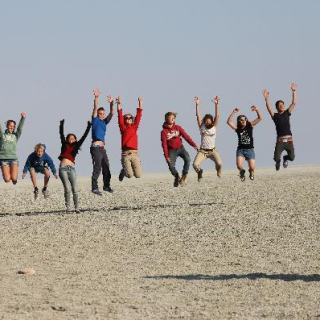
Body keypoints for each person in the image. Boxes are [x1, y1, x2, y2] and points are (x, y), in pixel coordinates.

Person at [58, 119, 91, 213]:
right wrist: (61, 125)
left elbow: (84, 137)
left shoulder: (76, 146)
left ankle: (77, 207)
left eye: (73, 138)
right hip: (63, 168)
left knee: (74, 188)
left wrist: (89, 126)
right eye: (70, 138)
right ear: (67, 139)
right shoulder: (64, 145)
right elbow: (61, 135)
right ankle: (68, 207)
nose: (71, 139)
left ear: (75, 140)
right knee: (67, 188)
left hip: (72, 168)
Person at [262, 83, 297, 171]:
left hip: (289, 140)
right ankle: (278, 162)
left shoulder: (287, 113)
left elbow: (294, 103)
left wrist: (294, 91)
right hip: (280, 141)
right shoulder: (275, 116)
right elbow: (269, 109)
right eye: (279, 105)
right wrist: (266, 99)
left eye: (282, 105)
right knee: (276, 157)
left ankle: (285, 158)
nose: (281, 106)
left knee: (292, 157)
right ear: (277, 107)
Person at [161, 112, 198, 187]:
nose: (173, 119)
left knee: (188, 159)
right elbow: (164, 144)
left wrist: (194, 145)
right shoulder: (164, 132)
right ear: (166, 119)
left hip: (181, 148)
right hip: (171, 151)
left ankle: (184, 176)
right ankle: (177, 177)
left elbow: (186, 137)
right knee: (171, 166)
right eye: (171, 117)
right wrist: (166, 156)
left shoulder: (178, 128)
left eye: (174, 117)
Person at [227, 106, 262, 181]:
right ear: (239, 121)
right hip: (241, 150)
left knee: (252, 167)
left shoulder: (250, 125)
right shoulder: (237, 129)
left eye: (245, 119)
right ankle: (242, 172)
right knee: (239, 166)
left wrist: (257, 110)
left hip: (250, 150)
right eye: (241, 120)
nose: (243, 121)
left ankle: (251, 172)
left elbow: (259, 118)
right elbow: (229, 122)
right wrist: (233, 112)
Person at [193, 96, 222, 182]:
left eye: (209, 121)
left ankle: (218, 169)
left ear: (212, 121)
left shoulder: (214, 127)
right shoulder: (202, 127)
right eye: (206, 121)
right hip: (203, 151)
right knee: (195, 165)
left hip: (212, 151)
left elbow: (217, 116)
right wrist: (197, 105)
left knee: (219, 163)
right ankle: (200, 172)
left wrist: (216, 105)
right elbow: (198, 116)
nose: (208, 122)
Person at [90, 88, 114, 195]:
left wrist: (111, 103)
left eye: (103, 113)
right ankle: (94, 187)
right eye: (100, 113)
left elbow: (112, 114)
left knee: (107, 166)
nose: (102, 115)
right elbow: (95, 108)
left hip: (102, 148)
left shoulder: (104, 122)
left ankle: (106, 186)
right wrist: (96, 97)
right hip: (96, 147)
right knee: (98, 167)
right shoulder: (95, 120)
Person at [117, 96, 143, 182]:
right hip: (125, 154)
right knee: (130, 175)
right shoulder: (123, 128)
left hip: (135, 154)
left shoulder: (134, 127)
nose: (128, 119)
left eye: (130, 118)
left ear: (132, 120)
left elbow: (139, 114)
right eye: (126, 118)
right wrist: (118, 103)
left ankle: (128, 168)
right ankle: (124, 171)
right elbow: (120, 115)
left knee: (138, 175)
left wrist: (140, 102)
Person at [0, 111, 26, 184]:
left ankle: (14, 179)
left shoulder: (15, 136)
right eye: (10, 125)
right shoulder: (2, 135)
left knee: (14, 178)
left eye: (13, 126)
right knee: (7, 180)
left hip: (13, 159)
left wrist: (23, 118)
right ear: (7, 126)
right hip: (3, 159)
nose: (12, 127)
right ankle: (7, 172)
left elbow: (20, 129)